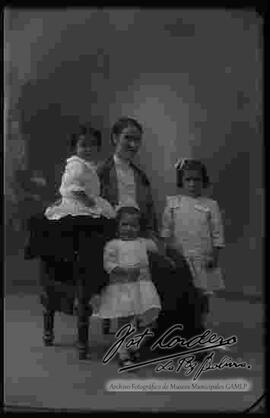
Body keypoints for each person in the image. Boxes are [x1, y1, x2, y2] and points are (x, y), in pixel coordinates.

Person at [26, 124, 116, 359]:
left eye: (92, 145)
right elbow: (75, 189)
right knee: (86, 224)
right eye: (83, 145)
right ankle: (79, 267)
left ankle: (93, 267)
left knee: (104, 223)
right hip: (77, 202)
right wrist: (90, 203)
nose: (88, 149)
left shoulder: (89, 165)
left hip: (85, 200)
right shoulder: (76, 165)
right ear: (75, 147)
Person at [97, 117, 159, 334]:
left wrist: (153, 237)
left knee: (175, 263)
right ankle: (131, 335)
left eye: (137, 140)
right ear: (115, 138)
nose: (133, 145)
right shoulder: (101, 172)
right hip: (110, 238)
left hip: (138, 235)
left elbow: (150, 214)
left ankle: (171, 332)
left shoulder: (140, 177)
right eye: (127, 138)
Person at [160, 158, 225, 336]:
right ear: (182, 181)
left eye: (196, 180)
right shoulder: (174, 203)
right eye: (188, 179)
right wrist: (167, 255)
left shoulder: (210, 205)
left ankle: (200, 328)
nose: (192, 184)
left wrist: (215, 255)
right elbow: (166, 231)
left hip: (203, 259)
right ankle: (180, 329)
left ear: (203, 181)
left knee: (202, 296)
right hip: (180, 259)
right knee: (181, 295)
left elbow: (217, 233)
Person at [96, 206, 162, 366]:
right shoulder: (113, 245)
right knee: (124, 321)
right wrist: (124, 271)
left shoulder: (143, 243)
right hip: (123, 287)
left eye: (134, 225)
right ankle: (123, 352)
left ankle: (133, 345)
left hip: (143, 287)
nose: (129, 229)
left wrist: (152, 235)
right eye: (124, 224)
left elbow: (159, 248)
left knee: (149, 320)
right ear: (117, 227)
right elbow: (109, 264)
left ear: (140, 228)